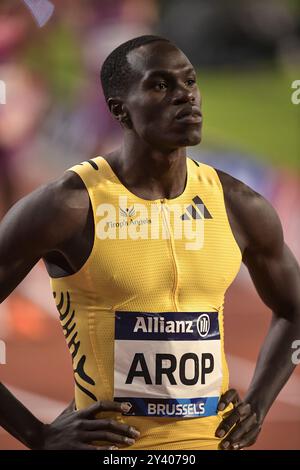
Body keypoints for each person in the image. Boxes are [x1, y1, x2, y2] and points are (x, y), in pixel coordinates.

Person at [0, 35, 299, 450]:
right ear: (119, 110)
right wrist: (36, 434)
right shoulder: (68, 206)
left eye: (190, 82)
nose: (185, 97)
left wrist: (260, 404)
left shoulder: (238, 205)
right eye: (160, 85)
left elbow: (294, 309)